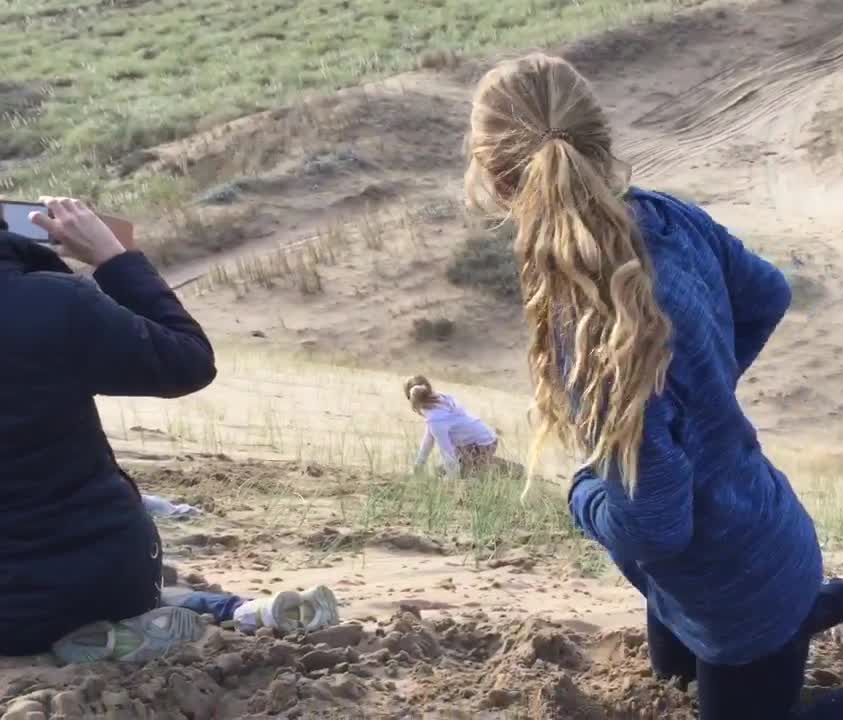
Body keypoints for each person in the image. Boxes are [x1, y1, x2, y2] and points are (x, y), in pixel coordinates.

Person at [462, 54, 843, 719]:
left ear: (499, 182)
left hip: (738, 593)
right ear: (601, 141)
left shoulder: (588, 325)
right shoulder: (666, 217)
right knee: (673, 676)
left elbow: (654, 526)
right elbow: (767, 294)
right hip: (761, 535)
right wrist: (704, 396)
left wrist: (583, 491)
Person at [0, 197, 339, 663]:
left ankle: (178, 618)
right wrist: (115, 259)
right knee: (152, 588)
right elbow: (189, 360)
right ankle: (226, 613)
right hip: (101, 580)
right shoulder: (51, 304)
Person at [405, 375, 499, 477]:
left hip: (482, 445)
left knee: (455, 473)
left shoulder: (436, 420)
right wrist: (418, 466)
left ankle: (485, 469)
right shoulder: (441, 401)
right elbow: (428, 439)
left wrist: (451, 478)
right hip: (487, 439)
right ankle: (478, 464)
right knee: (440, 470)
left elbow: (446, 452)